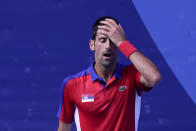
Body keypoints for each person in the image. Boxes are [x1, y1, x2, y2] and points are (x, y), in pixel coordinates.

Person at [57, 16, 161, 131]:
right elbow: (64, 128)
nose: (108, 46)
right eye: (102, 40)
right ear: (92, 45)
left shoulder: (132, 75)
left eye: (113, 41)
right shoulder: (71, 84)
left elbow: (154, 77)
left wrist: (122, 42)